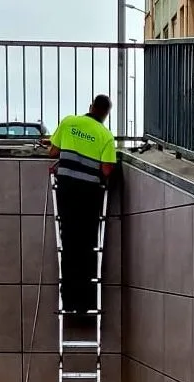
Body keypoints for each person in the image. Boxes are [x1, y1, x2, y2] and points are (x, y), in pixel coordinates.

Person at [47, 95, 117, 315]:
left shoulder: (69, 122)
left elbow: (53, 151)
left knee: (68, 244)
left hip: (66, 191)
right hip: (90, 195)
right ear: (105, 114)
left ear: (90, 107)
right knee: (87, 246)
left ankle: (68, 301)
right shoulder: (105, 135)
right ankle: (85, 303)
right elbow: (106, 170)